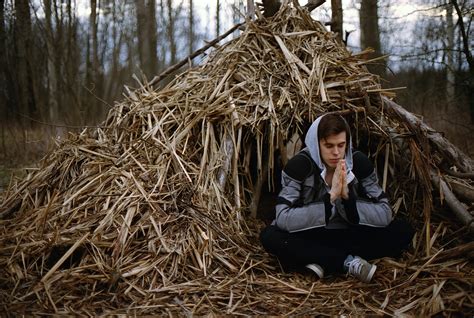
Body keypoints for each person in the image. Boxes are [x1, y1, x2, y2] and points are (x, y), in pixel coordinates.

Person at [260, 113, 415, 283]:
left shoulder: (359, 163)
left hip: (349, 233)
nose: (336, 153)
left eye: (341, 145)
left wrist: (348, 200)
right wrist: (330, 198)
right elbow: (283, 217)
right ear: (316, 144)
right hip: (311, 234)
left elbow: (385, 213)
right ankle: (347, 262)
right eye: (328, 146)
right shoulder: (299, 166)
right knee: (270, 236)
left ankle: (320, 259)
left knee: (403, 229)